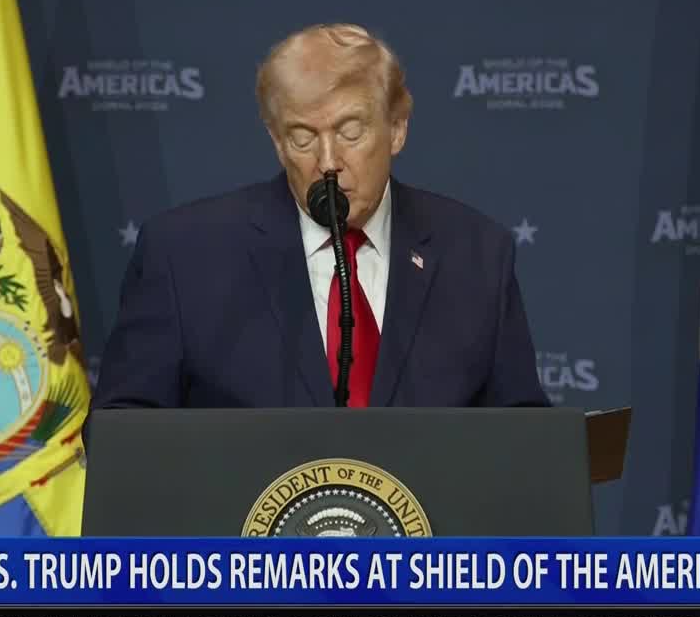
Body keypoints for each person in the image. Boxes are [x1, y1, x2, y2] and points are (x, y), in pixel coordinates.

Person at [91, 23, 547, 408]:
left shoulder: (475, 253)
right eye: (303, 138)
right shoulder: (185, 256)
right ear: (276, 142)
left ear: (397, 128)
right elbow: (123, 435)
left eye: (350, 132)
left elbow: (525, 443)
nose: (328, 161)